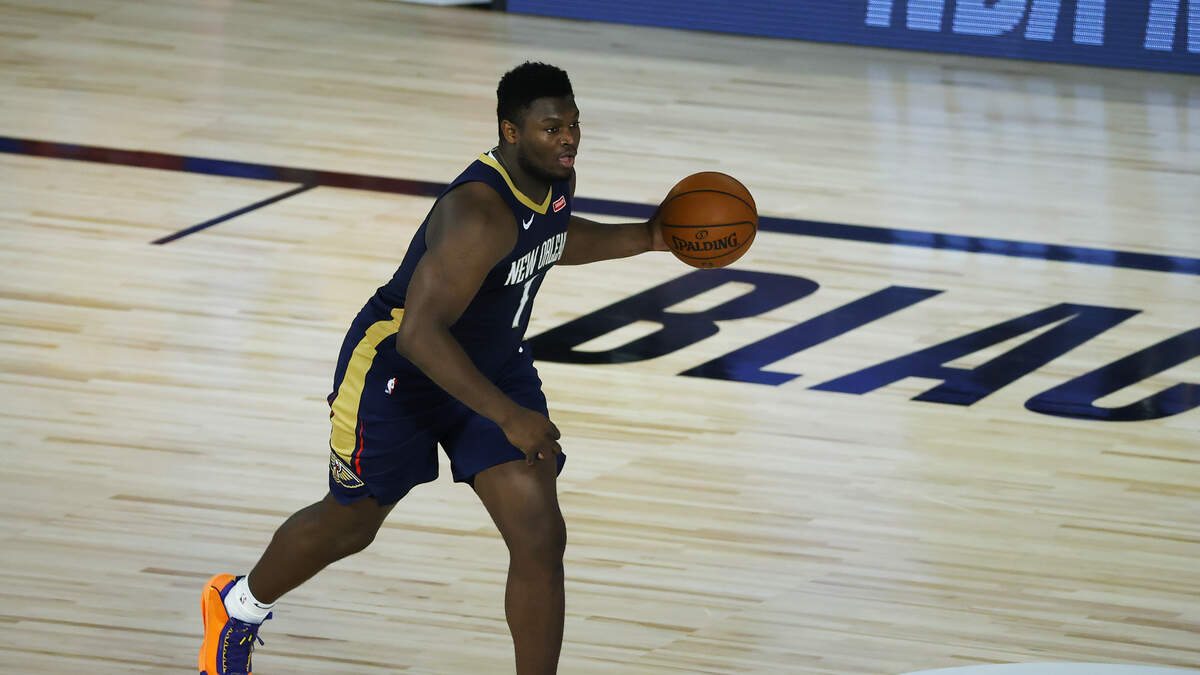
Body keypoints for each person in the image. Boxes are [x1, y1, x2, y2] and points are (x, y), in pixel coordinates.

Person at [198, 61, 668, 675]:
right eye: (552, 128)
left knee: (539, 535)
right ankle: (238, 606)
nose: (569, 139)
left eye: (574, 125)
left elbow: (550, 238)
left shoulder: (554, 179)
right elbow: (420, 335)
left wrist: (649, 236)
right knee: (352, 523)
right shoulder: (477, 212)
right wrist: (510, 417)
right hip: (399, 372)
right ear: (511, 131)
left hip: (491, 364)